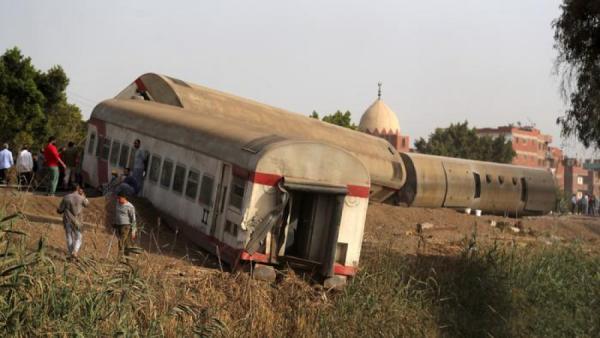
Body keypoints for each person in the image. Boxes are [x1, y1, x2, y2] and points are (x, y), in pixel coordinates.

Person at [56, 185, 89, 258]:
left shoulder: (66, 197)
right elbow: (87, 204)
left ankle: (71, 253)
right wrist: (83, 195)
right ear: (78, 189)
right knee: (79, 237)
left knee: (69, 236)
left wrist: (60, 210)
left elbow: (60, 210)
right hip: (78, 221)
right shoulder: (81, 198)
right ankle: (75, 251)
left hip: (67, 220)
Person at [113, 192, 137, 256]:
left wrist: (133, 231)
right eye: (117, 198)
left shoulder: (130, 206)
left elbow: (133, 219)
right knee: (126, 244)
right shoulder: (118, 203)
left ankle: (119, 259)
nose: (118, 200)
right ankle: (128, 259)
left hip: (126, 226)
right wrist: (115, 223)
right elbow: (117, 214)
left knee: (121, 241)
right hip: (119, 226)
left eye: (119, 198)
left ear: (124, 198)